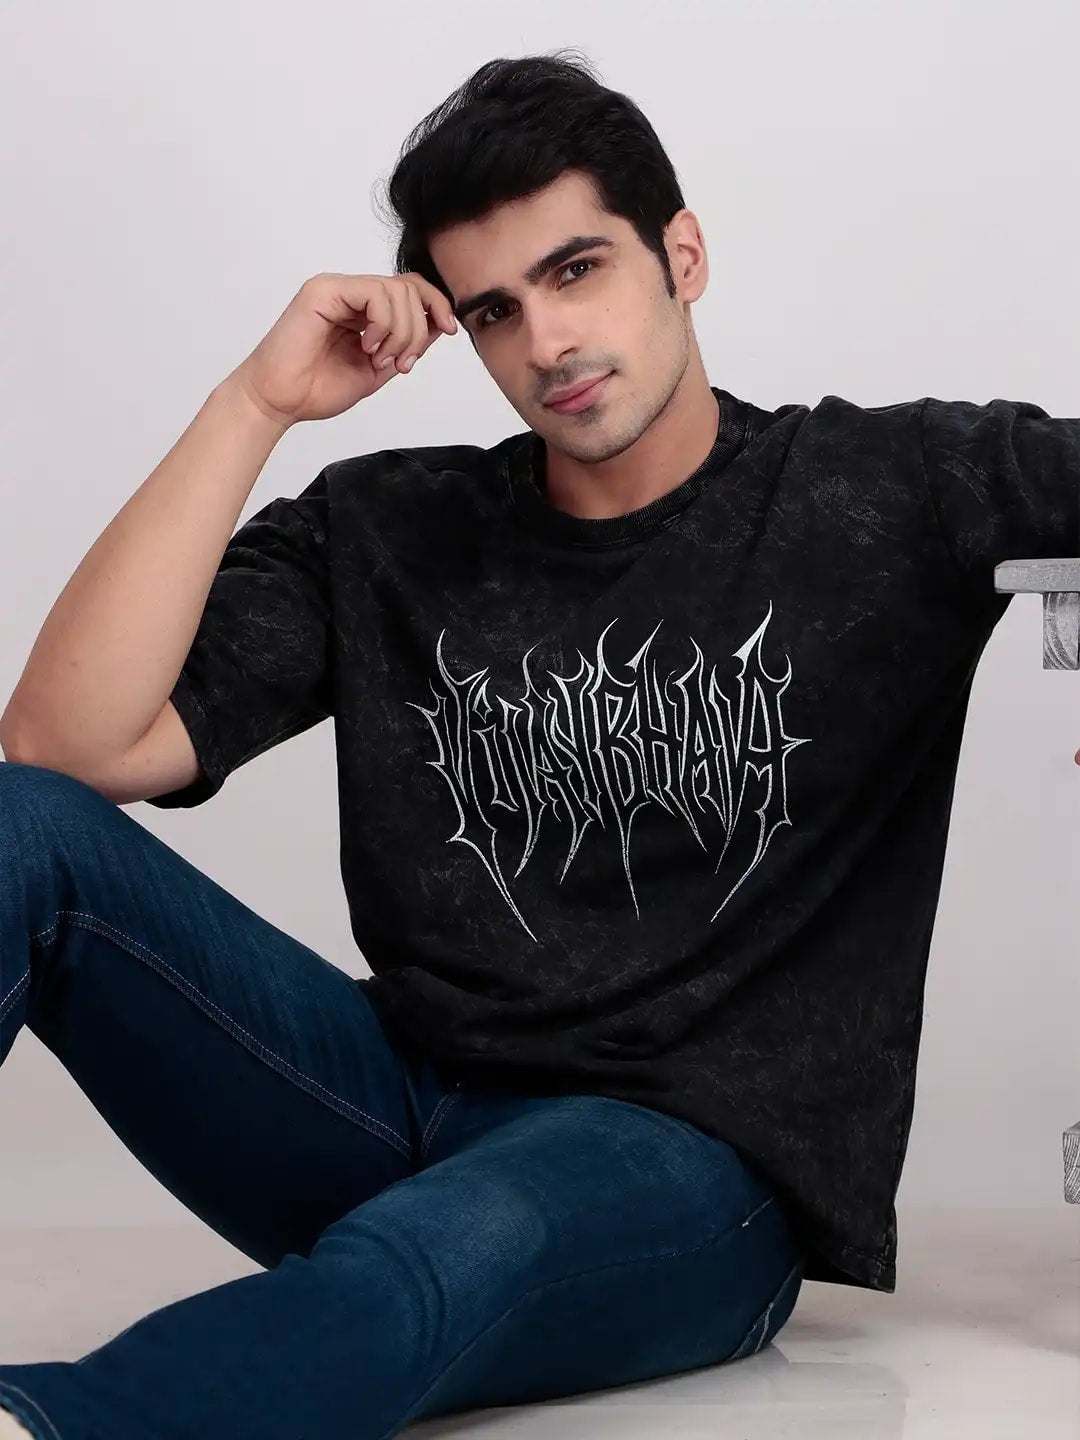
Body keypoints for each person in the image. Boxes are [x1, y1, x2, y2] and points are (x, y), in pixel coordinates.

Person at [0, 47, 1076, 1440]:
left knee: (440, 1252)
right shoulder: (391, 525)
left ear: (681, 255)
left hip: (690, 1173)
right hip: (385, 1103)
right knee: (19, 833)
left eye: (578, 271)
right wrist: (254, 405)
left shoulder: (885, 489)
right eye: (496, 310)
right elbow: (63, 751)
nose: (549, 342)